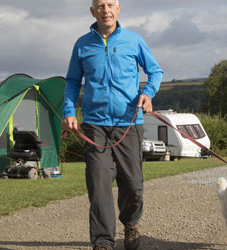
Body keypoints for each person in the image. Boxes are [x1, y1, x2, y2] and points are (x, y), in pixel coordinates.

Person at [62, 0, 163, 249]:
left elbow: (155, 71)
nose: (105, 10)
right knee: (99, 184)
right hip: (95, 125)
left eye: (110, 5)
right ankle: (103, 241)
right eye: (100, 5)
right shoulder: (82, 44)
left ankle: (130, 223)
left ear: (118, 9)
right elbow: (73, 82)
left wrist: (148, 94)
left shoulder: (134, 40)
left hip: (129, 123)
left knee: (133, 185)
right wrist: (69, 111)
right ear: (92, 11)